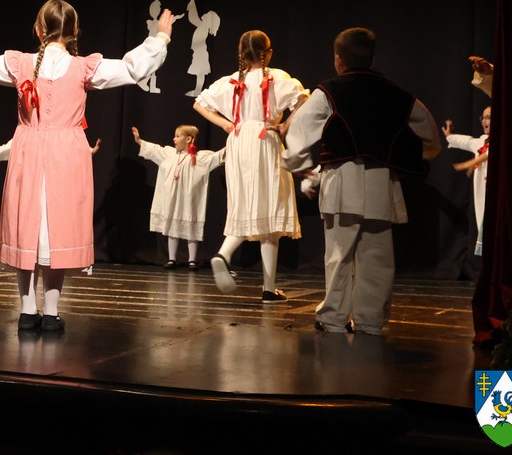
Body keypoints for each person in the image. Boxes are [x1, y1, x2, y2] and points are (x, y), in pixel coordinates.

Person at [0, 0, 173, 333]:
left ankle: (27, 310)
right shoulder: (83, 67)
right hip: (66, 154)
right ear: (73, 33)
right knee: (55, 227)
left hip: (30, 149)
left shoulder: (22, 63)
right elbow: (132, 68)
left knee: (28, 225)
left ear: (39, 29)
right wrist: (161, 37)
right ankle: (51, 312)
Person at [280, 27, 442, 335]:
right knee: (377, 256)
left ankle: (333, 318)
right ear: (373, 58)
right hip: (381, 180)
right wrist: (419, 155)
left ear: (338, 60)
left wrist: (297, 164)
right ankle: (370, 320)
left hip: (343, 179)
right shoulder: (397, 94)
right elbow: (430, 134)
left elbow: (299, 130)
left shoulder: (329, 91)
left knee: (339, 254)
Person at [193, 29, 307, 303]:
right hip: (264, 139)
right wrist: (285, 125)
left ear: (241, 54)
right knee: (269, 206)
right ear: (268, 53)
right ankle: (229, 258)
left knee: (246, 202)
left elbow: (199, 104)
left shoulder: (231, 80)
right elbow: (305, 99)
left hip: (239, 139)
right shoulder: (276, 77)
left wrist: (226, 124)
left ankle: (264, 284)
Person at [132, 124, 225, 269]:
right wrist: (139, 141)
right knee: (172, 226)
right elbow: (155, 149)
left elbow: (218, 156)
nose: (174, 139)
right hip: (172, 198)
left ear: (188, 139)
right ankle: (172, 259)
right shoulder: (169, 154)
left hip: (189, 199)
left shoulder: (200, 157)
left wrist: (234, 143)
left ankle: (192, 260)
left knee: (191, 226)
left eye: (177, 136)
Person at [444, 106, 491, 256]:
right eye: (483, 118)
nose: (484, 121)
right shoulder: (481, 141)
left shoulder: (504, 141)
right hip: (482, 193)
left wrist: (468, 164)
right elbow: (467, 141)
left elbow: (487, 154)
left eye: (488, 117)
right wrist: (450, 137)